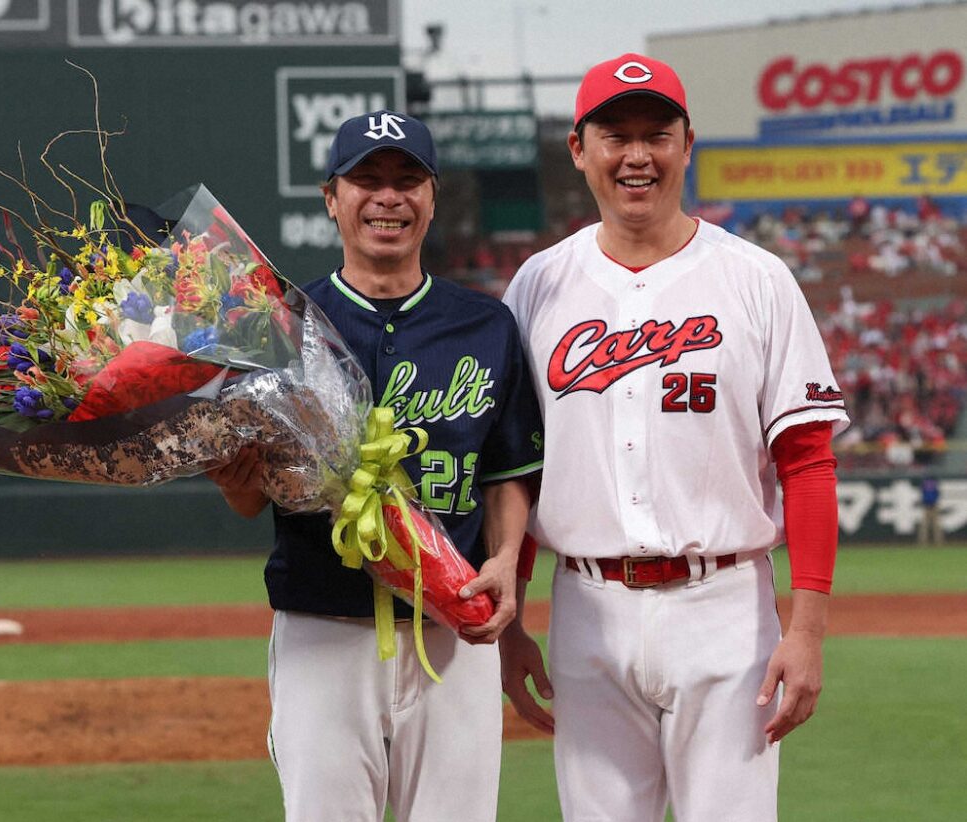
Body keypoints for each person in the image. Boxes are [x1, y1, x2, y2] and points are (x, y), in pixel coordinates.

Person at [499, 54, 850, 821]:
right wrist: (515, 619)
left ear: (688, 143)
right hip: (585, 609)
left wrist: (809, 628)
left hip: (725, 611)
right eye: (614, 135)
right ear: (578, 149)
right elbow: (516, 469)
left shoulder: (755, 279)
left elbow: (808, 463)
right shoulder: (537, 286)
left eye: (656, 134)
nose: (637, 155)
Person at [208, 109, 544, 822]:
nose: (388, 197)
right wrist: (236, 482)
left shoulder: (486, 326)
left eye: (407, 180)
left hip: (453, 630)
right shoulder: (280, 325)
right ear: (332, 198)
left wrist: (509, 557)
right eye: (367, 180)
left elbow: (507, 468)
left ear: (432, 198)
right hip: (322, 627)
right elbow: (248, 500)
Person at [919, 475, 944, 545]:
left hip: (929, 506)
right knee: (933, 525)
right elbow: (937, 494)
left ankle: (924, 542)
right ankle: (938, 542)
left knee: (926, 526)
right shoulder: (934, 483)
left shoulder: (924, 483)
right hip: (932, 506)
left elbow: (923, 493)